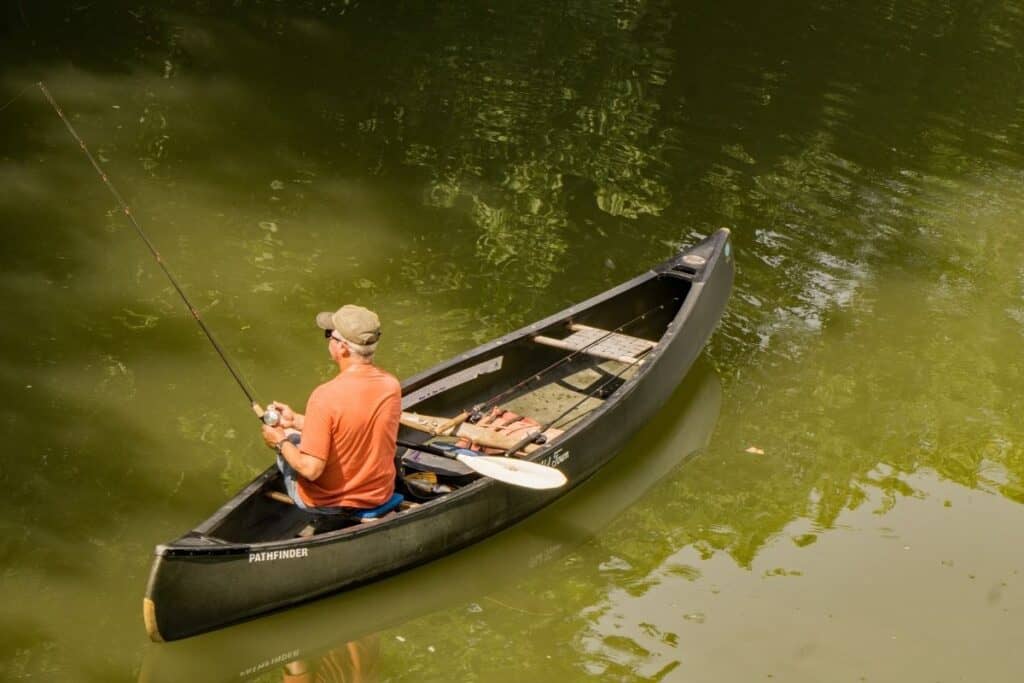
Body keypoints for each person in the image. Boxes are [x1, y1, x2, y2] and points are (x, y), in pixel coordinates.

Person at [260, 304, 401, 514]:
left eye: (329, 335)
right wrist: (296, 421)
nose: (327, 341)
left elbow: (310, 470)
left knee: (290, 439)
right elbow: (351, 426)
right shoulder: (391, 385)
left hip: (328, 503)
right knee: (293, 430)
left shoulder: (324, 396)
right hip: (380, 494)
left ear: (342, 347)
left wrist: (279, 440)